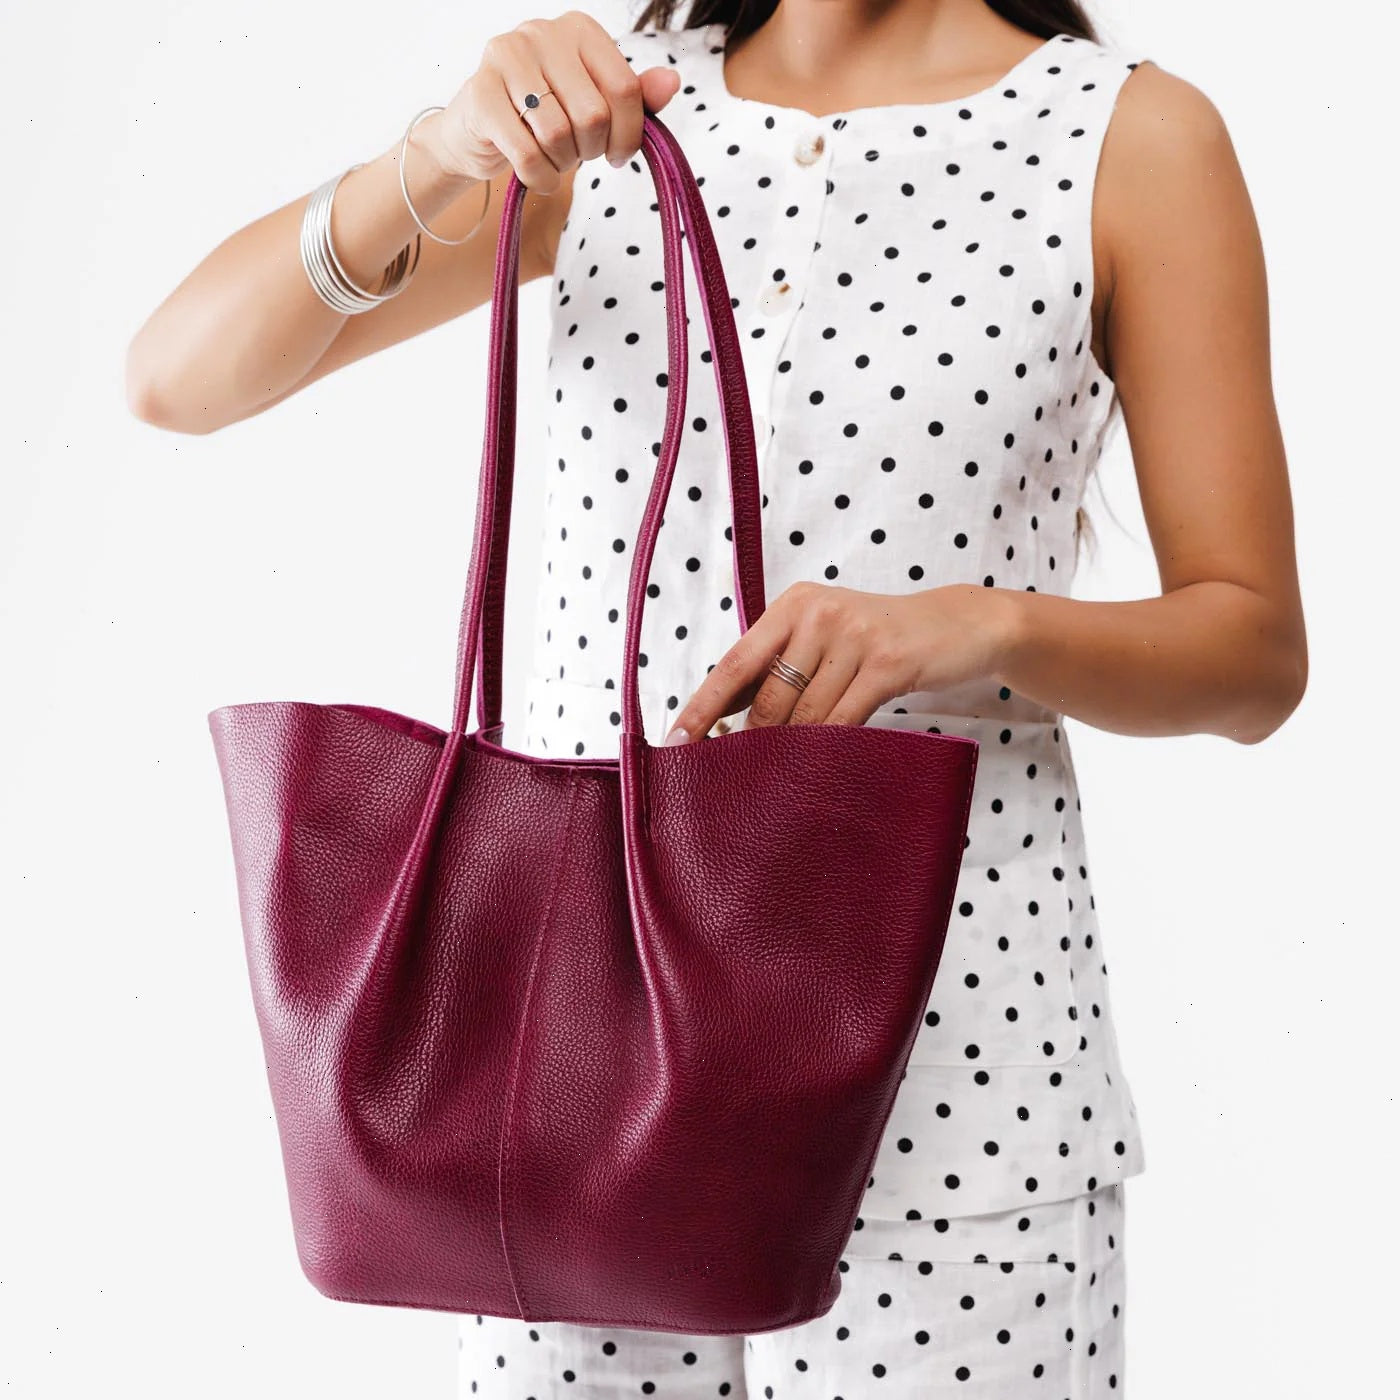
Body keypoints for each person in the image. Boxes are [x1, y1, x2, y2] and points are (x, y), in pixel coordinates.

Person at [127, 1, 1308, 1394]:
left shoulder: (1124, 137)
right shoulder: (614, 116)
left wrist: (976, 621)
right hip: (571, 1081)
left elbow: (1253, 653)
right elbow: (173, 379)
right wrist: (437, 153)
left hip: (958, 1089)